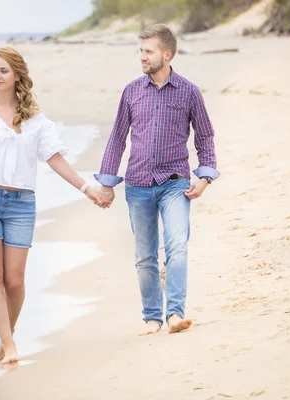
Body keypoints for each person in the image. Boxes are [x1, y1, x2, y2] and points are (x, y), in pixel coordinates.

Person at [0, 47, 103, 364]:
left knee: (15, 280)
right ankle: (9, 345)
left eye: (3, 70)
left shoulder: (35, 120)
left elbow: (55, 158)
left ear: (17, 75)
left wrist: (86, 187)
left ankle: (6, 337)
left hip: (21, 204)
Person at [94, 24, 220, 336]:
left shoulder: (189, 92)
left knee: (177, 245)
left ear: (167, 54)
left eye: (148, 51)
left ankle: (175, 313)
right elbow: (117, 138)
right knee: (144, 256)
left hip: (175, 183)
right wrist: (107, 182)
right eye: (141, 51)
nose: (142, 57)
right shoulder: (132, 91)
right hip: (137, 185)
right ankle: (152, 316)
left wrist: (205, 176)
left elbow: (205, 136)